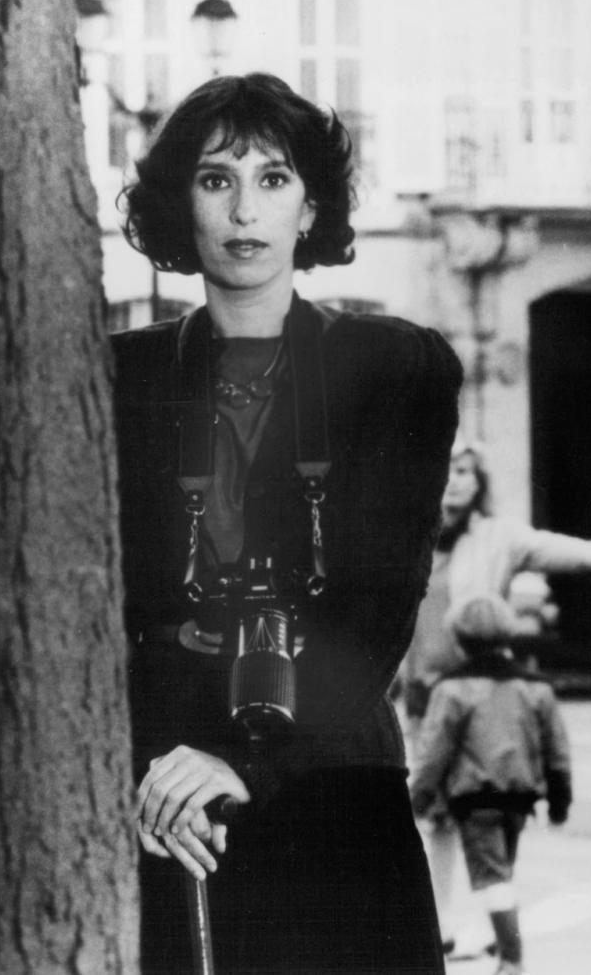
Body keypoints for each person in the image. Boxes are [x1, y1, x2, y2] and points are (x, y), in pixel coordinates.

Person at [111, 72, 462, 974]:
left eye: (273, 179)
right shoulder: (124, 375)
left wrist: (243, 761)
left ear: (310, 207)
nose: (244, 210)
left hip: (330, 779)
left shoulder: (396, 366)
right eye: (216, 179)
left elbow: (378, 610)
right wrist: (161, 767)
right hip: (170, 794)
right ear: (182, 202)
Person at [397, 439, 591, 954]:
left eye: (466, 470)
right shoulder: (407, 531)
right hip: (422, 693)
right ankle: (441, 925)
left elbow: (549, 547)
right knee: (434, 813)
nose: (455, 480)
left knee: (481, 806)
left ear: (480, 482)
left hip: (480, 691)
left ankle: (494, 925)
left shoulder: (495, 538)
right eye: (447, 467)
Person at [408, 595, 574, 975]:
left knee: (493, 879)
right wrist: (560, 800)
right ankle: (501, 944)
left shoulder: (453, 689)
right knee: (502, 872)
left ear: (458, 641)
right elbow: (556, 749)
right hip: (520, 798)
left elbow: (434, 751)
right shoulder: (536, 688)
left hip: (474, 797)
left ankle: (512, 959)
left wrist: (420, 797)